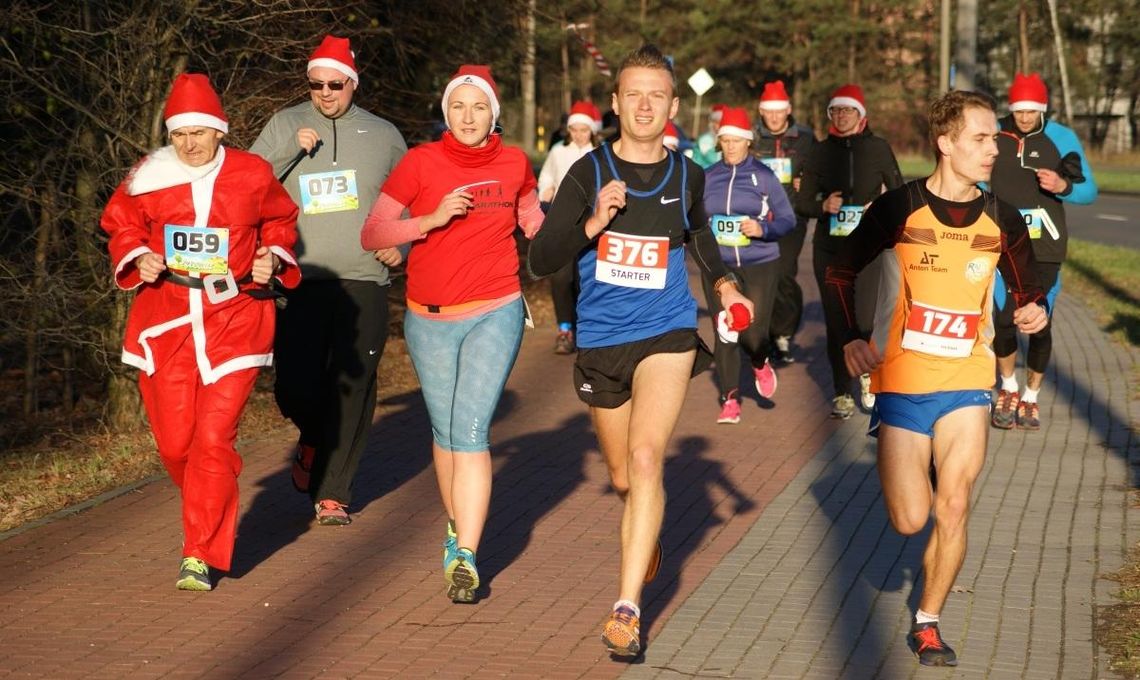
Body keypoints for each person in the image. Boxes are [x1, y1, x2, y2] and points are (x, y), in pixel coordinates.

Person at [529, 44, 753, 657]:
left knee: (649, 458)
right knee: (626, 476)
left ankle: (626, 608)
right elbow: (541, 259)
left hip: (668, 333)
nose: (646, 104)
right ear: (616, 102)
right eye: (634, 93)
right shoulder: (588, 172)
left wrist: (726, 283)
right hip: (602, 343)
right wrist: (591, 226)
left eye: (657, 94)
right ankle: (642, 528)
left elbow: (700, 237)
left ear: (674, 104)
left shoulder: (688, 174)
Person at [823, 90, 1047, 667]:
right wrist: (850, 336)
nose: (992, 148)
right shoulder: (900, 208)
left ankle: (927, 622)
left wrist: (1033, 309)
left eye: (994, 138)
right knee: (910, 518)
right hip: (903, 382)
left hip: (968, 379)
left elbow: (1029, 290)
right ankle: (913, 458)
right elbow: (839, 269)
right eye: (979, 138)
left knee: (954, 504)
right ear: (946, 143)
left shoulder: (1002, 218)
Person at [101, 73, 300, 591]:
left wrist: (270, 258)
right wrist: (139, 254)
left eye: (199, 132)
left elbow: (280, 222)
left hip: (234, 316)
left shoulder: (253, 173)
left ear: (220, 131)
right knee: (175, 445)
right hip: (165, 321)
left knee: (213, 438)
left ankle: (199, 552)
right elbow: (120, 223)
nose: (189, 143)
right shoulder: (148, 175)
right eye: (179, 133)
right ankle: (205, 507)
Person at [360, 65, 543, 603]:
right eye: (459, 106)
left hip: (496, 307)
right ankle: (455, 527)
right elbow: (373, 230)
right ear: (447, 112)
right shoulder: (420, 163)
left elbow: (533, 222)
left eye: (478, 107)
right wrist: (430, 221)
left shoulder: (514, 163)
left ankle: (466, 553)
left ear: (494, 114)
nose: (468, 116)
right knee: (444, 434)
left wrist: (586, 223)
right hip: (429, 319)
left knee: (470, 432)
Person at [250, 35, 408, 526]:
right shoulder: (285, 124)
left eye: (334, 84)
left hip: (365, 277)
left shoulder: (384, 135)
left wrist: (401, 246)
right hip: (302, 277)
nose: (323, 93)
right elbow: (244, 188)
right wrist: (284, 156)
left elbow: (413, 203)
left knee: (353, 384)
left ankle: (333, 493)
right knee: (294, 388)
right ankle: (315, 439)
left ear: (352, 83)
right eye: (315, 84)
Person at [986, 72, 1097, 430]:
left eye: (1032, 111)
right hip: (1002, 243)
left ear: (1043, 108)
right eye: (1019, 111)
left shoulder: (1062, 137)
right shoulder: (995, 131)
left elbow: (1089, 191)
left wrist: (1063, 185)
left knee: (1038, 324)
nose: (1024, 118)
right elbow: (974, 174)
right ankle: (1008, 388)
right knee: (1003, 320)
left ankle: (1031, 397)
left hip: (1046, 247)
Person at [797, 83, 903, 419]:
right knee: (837, 324)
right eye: (836, 111)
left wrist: (880, 206)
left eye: (848, 110)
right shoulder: (818, 151)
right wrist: (822, 204)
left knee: (866, 320)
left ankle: (869, 376)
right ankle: (842, 391)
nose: (842, 116)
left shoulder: (879, 148)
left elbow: (900, 194)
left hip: (869, 249)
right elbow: (802, 202)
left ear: (861, 115)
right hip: (830, 250)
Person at [701, 106, 796, 423]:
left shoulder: (764, 177)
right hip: (719, 267)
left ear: (748, 142)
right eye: (725, 141)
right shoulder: (708, 177)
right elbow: (696, 222)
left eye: (736, 141)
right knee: (724, 330)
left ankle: (759, 360)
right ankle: (729, 398)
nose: (730, 147)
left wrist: (762, 229)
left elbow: (787, 220)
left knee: (752, 334)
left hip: (759, 264)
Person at [752, 80, 816, 365]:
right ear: (761, 111)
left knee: (784, 272)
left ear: (789, 110)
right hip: (757, 218)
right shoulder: (751, 137)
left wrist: (810, 184)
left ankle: (783, 333)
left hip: (791, 216)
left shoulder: (805, 137)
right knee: (760, 276)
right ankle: (762, 334)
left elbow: (818, 169)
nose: (775, 117)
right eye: (769, 111)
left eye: (780, 111)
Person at [536, 100, 601, 355]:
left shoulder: (602, 153)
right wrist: (546, 190)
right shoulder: (558, 152)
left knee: (585, 278)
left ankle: (586, 329)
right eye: (575, 129)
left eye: (584, 129)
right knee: (562, 278)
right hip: (562, 221)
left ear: (592, 130)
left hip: (592, 222)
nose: (579, 134)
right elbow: (547, 176)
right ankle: (565, 328)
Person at [690, 103, 726, 168]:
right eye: (715, 122)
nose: (716, 125)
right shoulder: (704, 140)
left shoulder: (729, 139)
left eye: (720, 122)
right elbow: (696, 161)